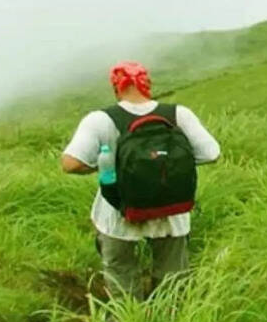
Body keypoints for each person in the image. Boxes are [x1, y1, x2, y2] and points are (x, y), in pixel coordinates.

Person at [61, 61, 220, 299]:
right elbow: (212, 153)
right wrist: (170, 164)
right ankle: (171, 316)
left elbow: (70, 163)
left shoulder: (100, 120)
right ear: (148, 84)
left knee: (121, 272)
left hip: (119, 211)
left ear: (116, 88)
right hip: (171, 210)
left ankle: (127, 318)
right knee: (172, 278)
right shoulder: (178, 114)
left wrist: (106, 166)